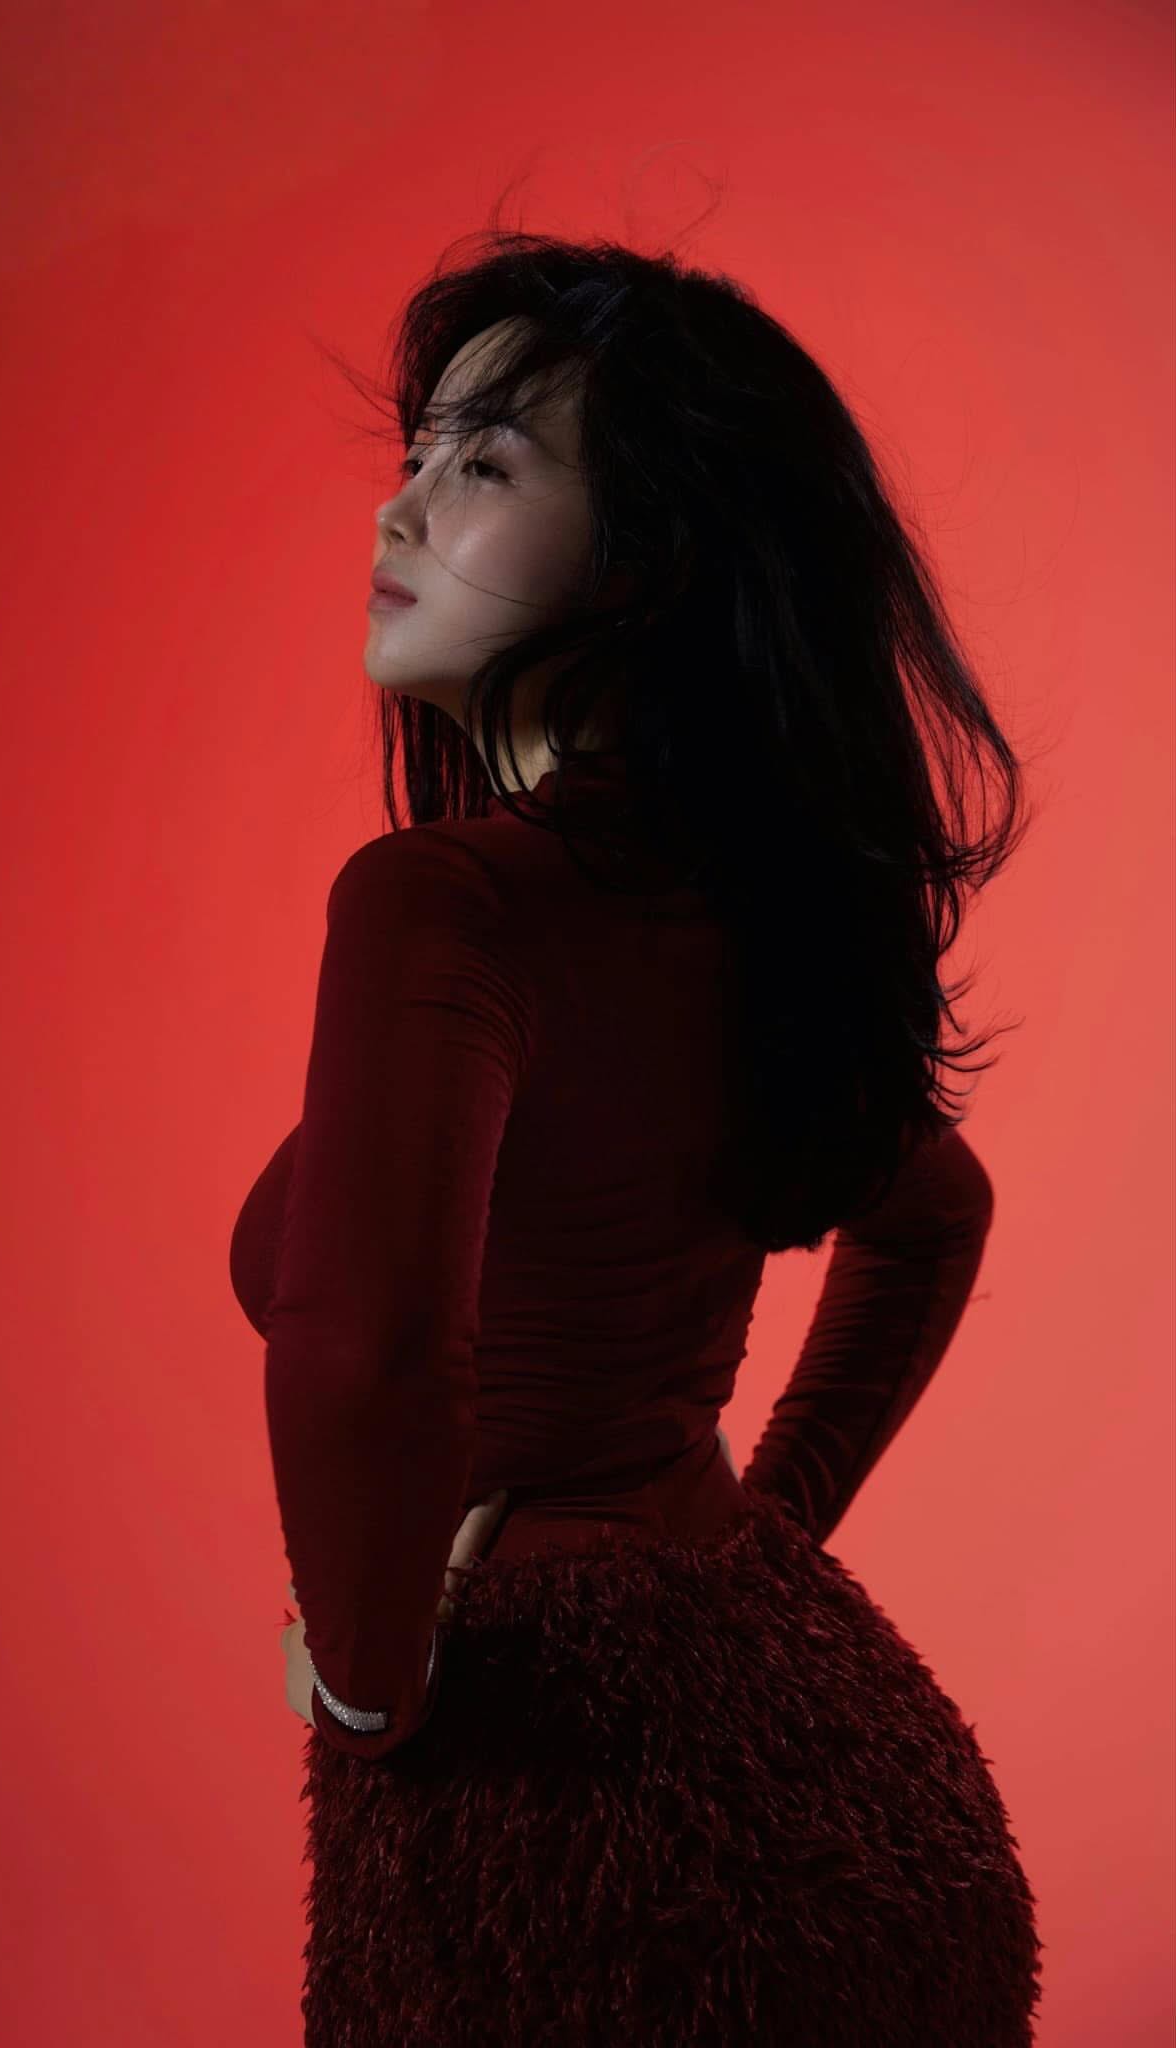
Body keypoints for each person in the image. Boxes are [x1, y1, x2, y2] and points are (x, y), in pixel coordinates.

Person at [229, 212, 1045, 2044]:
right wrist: (768, 1535)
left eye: (487, 463)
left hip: (569, 1839)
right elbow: (932, 1209)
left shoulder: (444, 905)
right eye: (415, 453)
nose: (401, 509)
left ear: (650, 557)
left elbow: (365, 1354)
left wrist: (367, 1688)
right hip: (851, 1787)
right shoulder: (753, 909)